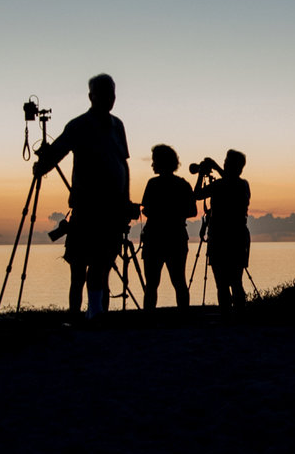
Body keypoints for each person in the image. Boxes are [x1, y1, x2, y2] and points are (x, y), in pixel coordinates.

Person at [35, 74, 132, 318]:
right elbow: (57, 152)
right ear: (91, 96)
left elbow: (124, 164)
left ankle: (97, 313)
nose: (109, 98)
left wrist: (126, 199)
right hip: (86, 207)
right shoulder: (78, 125)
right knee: (79, 268)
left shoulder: (118, 125)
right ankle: (77, 315)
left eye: (112, 93)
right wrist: (41, 166)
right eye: (104, 93)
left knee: (103, 266)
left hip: (112, 210)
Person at [136, 145, 196, 309]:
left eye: (154, 161)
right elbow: (192, 211)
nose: (152, 165)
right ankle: (183, 316)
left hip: (155, 238)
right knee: (179, 282)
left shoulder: (153, 184)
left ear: (161, 162)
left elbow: (147, 208)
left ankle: (149, 318)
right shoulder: (183, 185)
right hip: (176, 237)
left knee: (152, 284)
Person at [192, 149, 252, 310]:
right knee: (232, 282)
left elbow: (197, 194)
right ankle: (237, 316)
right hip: (234, 237)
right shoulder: (241, 185)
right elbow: (199, 194)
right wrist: (210, 170)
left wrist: (203, 173)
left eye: (226, 163)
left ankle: (229, 317)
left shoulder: (228, 185)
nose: (224, 165)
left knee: (226, 283)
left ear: (235, 166)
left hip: (222, 237)